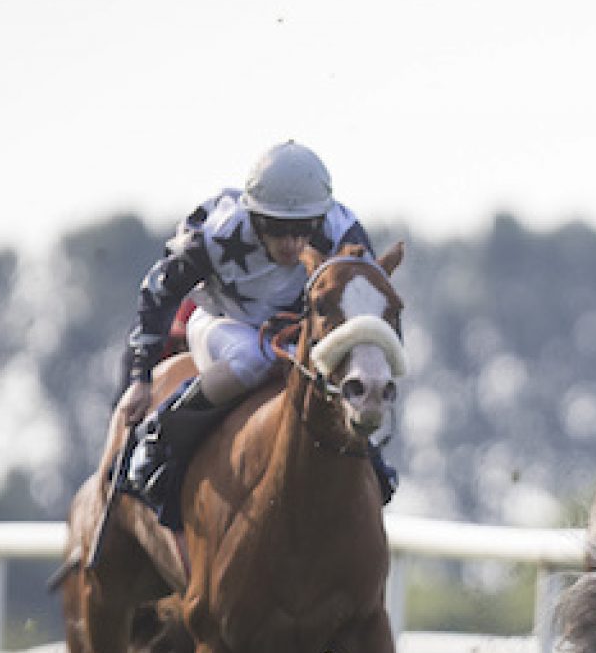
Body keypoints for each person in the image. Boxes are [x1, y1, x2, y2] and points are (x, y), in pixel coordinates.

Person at [116, 141, 394, 527]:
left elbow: (363, 305)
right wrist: (140, 377)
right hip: (223, 323)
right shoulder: (216, 231)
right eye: (277, 228)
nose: (292, 244)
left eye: (303, 229)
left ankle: (372, 460)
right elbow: (158, 292)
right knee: (252, 358)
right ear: (255, 216)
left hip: (298, 333)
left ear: (320, 217)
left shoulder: (343, 230)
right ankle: (159, 438)